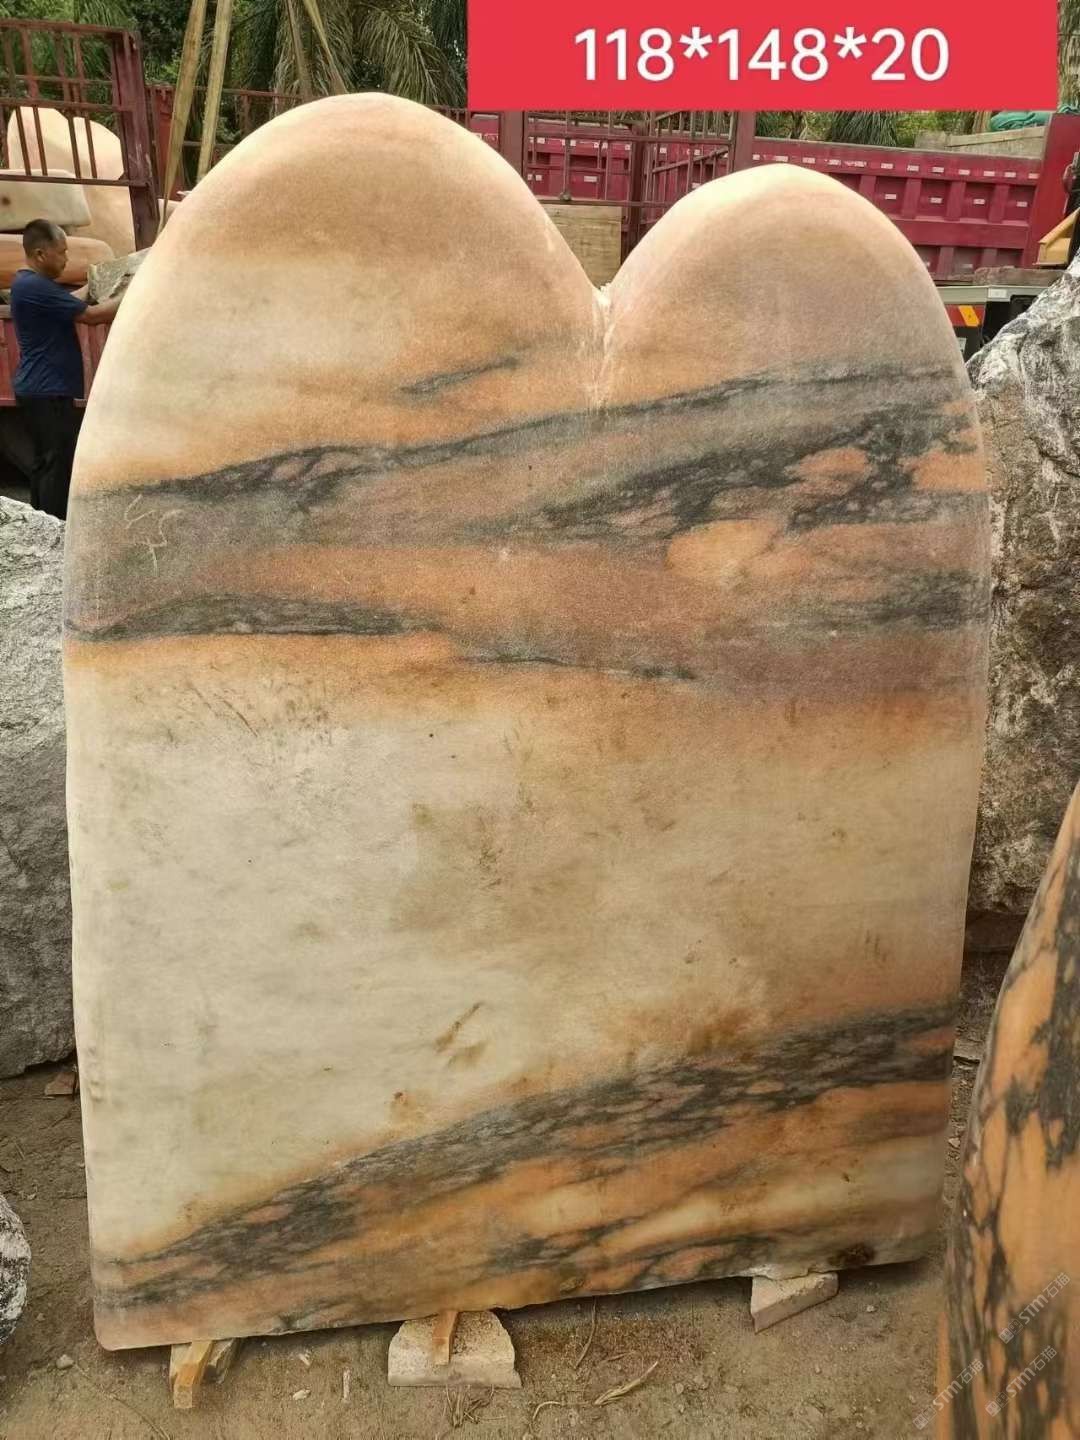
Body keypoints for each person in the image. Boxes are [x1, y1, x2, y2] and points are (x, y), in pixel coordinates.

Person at [11, 218, 125, 519]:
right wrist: (135, 291)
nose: (66, 259)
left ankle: (39, 523)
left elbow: (69, 302)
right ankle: (55, 526)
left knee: (46, 463)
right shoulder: (36, 287)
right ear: (40, 254)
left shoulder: (29, 284)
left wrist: (96, 282)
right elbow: (92, 316)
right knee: (57, 466)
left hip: (39, 388)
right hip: (47, 390)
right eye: (61, 252)